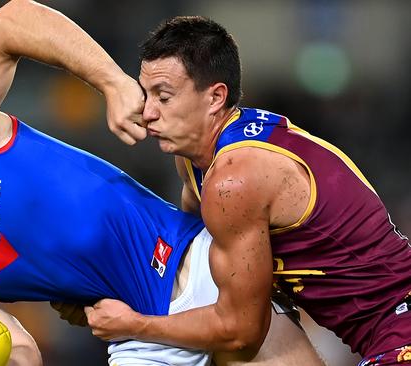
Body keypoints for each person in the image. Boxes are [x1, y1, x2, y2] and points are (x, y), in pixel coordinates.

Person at [0, 1, 321, 365]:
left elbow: (12, 20)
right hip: (135, 335)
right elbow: (14, 346)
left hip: (194, 267)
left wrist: (113, 83)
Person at [85, 15, 411, 366]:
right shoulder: (202, 156)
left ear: (215, 98)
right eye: (145, 94)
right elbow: (192, 257)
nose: (147, 112)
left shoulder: (233, 179)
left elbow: (240, 333)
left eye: (163, 96)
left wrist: (133, 325)